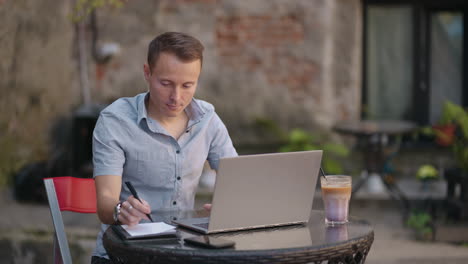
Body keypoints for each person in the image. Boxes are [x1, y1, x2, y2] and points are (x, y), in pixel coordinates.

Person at [91, 32, 237, 264]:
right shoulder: (115, 121)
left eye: (188, 85)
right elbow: (105, 202)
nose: (176, 97)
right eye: (166, 83)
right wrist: (121, 211)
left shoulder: (208, 119)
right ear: (147, 73)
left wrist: (222, 209)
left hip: (182, 251)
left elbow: (237, 179)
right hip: (123, 254)